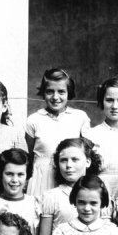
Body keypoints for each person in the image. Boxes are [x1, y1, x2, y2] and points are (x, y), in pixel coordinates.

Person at [25, 68, 90, 198]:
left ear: (68, 92)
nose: (55, 97)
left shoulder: (79, 117)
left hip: (70, 175)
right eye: (49, 92)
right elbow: (29, 156)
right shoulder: (33, 120)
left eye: (61, 92)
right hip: (41, 178)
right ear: (43, 93)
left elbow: (86, 153)